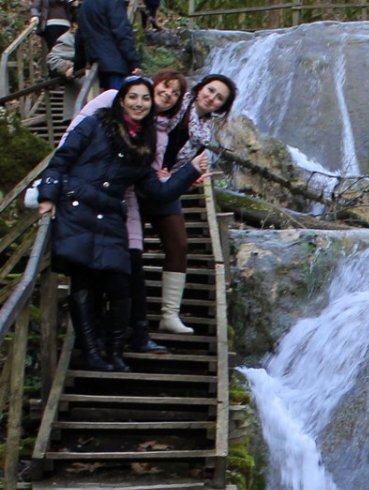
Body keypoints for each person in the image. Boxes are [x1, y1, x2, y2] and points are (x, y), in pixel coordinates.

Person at [37, 76, 207, 372]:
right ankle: (92, 353)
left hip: (111, 217)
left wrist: (190, 171)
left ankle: (115, 353)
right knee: (84, 283)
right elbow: (61, 159)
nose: (138, 103)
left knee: (119, 284)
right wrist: (48, 196)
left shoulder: (143, 146)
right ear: (121, 99)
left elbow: (158, 192)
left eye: (144, 99)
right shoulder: (94, 124)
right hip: (78, 208)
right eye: (133, 97)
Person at [65, 69, 188, 354]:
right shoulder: (109, 102)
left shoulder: (160, 132)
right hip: (90, 197)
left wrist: (176, 175)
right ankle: (96, 343)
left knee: (131, 265)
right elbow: (74, 135)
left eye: (175, 93)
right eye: (164, 88)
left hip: (127, 201)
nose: (167, 95)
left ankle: (132, 337)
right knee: (95, 268)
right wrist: (55, 184)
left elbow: (150, 179)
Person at [143, 73, 236, 335]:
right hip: (141, 179)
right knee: (130, 247)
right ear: (200, 89)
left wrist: (184, 177)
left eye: (219, 98)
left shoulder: (205, 129)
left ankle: (169, 314)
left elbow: (190, 163)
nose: (212, 98)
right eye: (210, 90)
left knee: (179, 244)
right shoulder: (176, 105)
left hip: (168, 186)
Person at [74, 0, 140, 92]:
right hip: (116, 65)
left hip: (98, 64)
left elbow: (80, 38)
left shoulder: (85, 5)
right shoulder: (113, 2)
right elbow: (122, 31)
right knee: (117, 100)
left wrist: (78, 66)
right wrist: (133, 62)